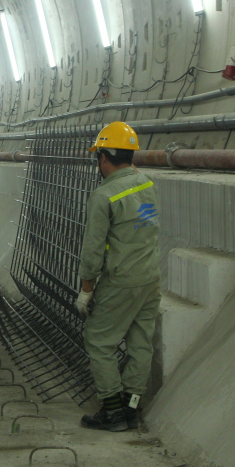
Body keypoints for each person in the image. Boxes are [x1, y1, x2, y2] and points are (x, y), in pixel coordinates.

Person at [76, 121, 161, 432]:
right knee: (141, 344)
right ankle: (132, 408)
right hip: (150, 279)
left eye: (99, 156)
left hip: (120, 281)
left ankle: (112, 411)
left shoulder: (104, 196)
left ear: (105, 157)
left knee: (99, 341)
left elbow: (93, 250)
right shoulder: (147, 184)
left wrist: (87, 289)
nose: (98, 162)